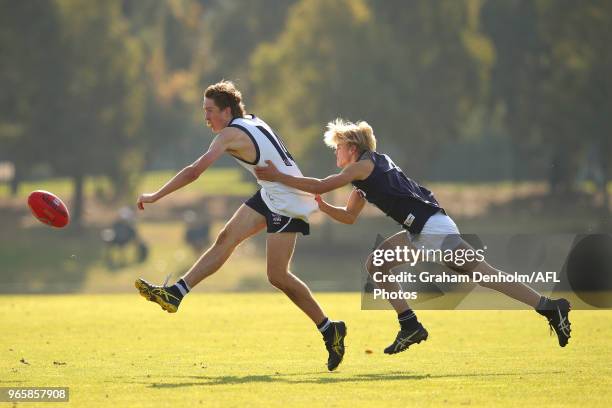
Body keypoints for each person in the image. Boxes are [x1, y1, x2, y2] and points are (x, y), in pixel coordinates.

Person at [255, 118, 572, 353]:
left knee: (483, 274)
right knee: (378, 265)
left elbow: (323, 183)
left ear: (352, 149)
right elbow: (350, 216)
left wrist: (277, 176)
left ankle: (547, 306)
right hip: (425, 228)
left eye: (337, 147)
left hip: (430, 229)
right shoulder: (368, 169)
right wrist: (324, 208)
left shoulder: (359, 168)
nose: (335, 153)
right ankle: (410, 324)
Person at [135, 81, 346, 371]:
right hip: (272, 192)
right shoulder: (251, 121)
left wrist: (156, 195)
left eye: (210, 111)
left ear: (226, 110)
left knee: (277, 276)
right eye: (204, 111)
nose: (206, 117)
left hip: (286, 201)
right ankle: (176, 293)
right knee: (225, 238)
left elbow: (195, 171)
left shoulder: (230, 133)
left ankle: (329, 329)